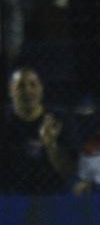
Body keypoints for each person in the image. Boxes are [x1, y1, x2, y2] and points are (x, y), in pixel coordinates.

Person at [0, 66, 77, 194]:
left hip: (51, 195)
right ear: (10, 91)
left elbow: (68, 172)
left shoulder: (58, 120)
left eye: (33, 85)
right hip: (8, 198)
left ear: (41, 88)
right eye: (20, 86)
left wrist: (51, 145)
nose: (27, 90)